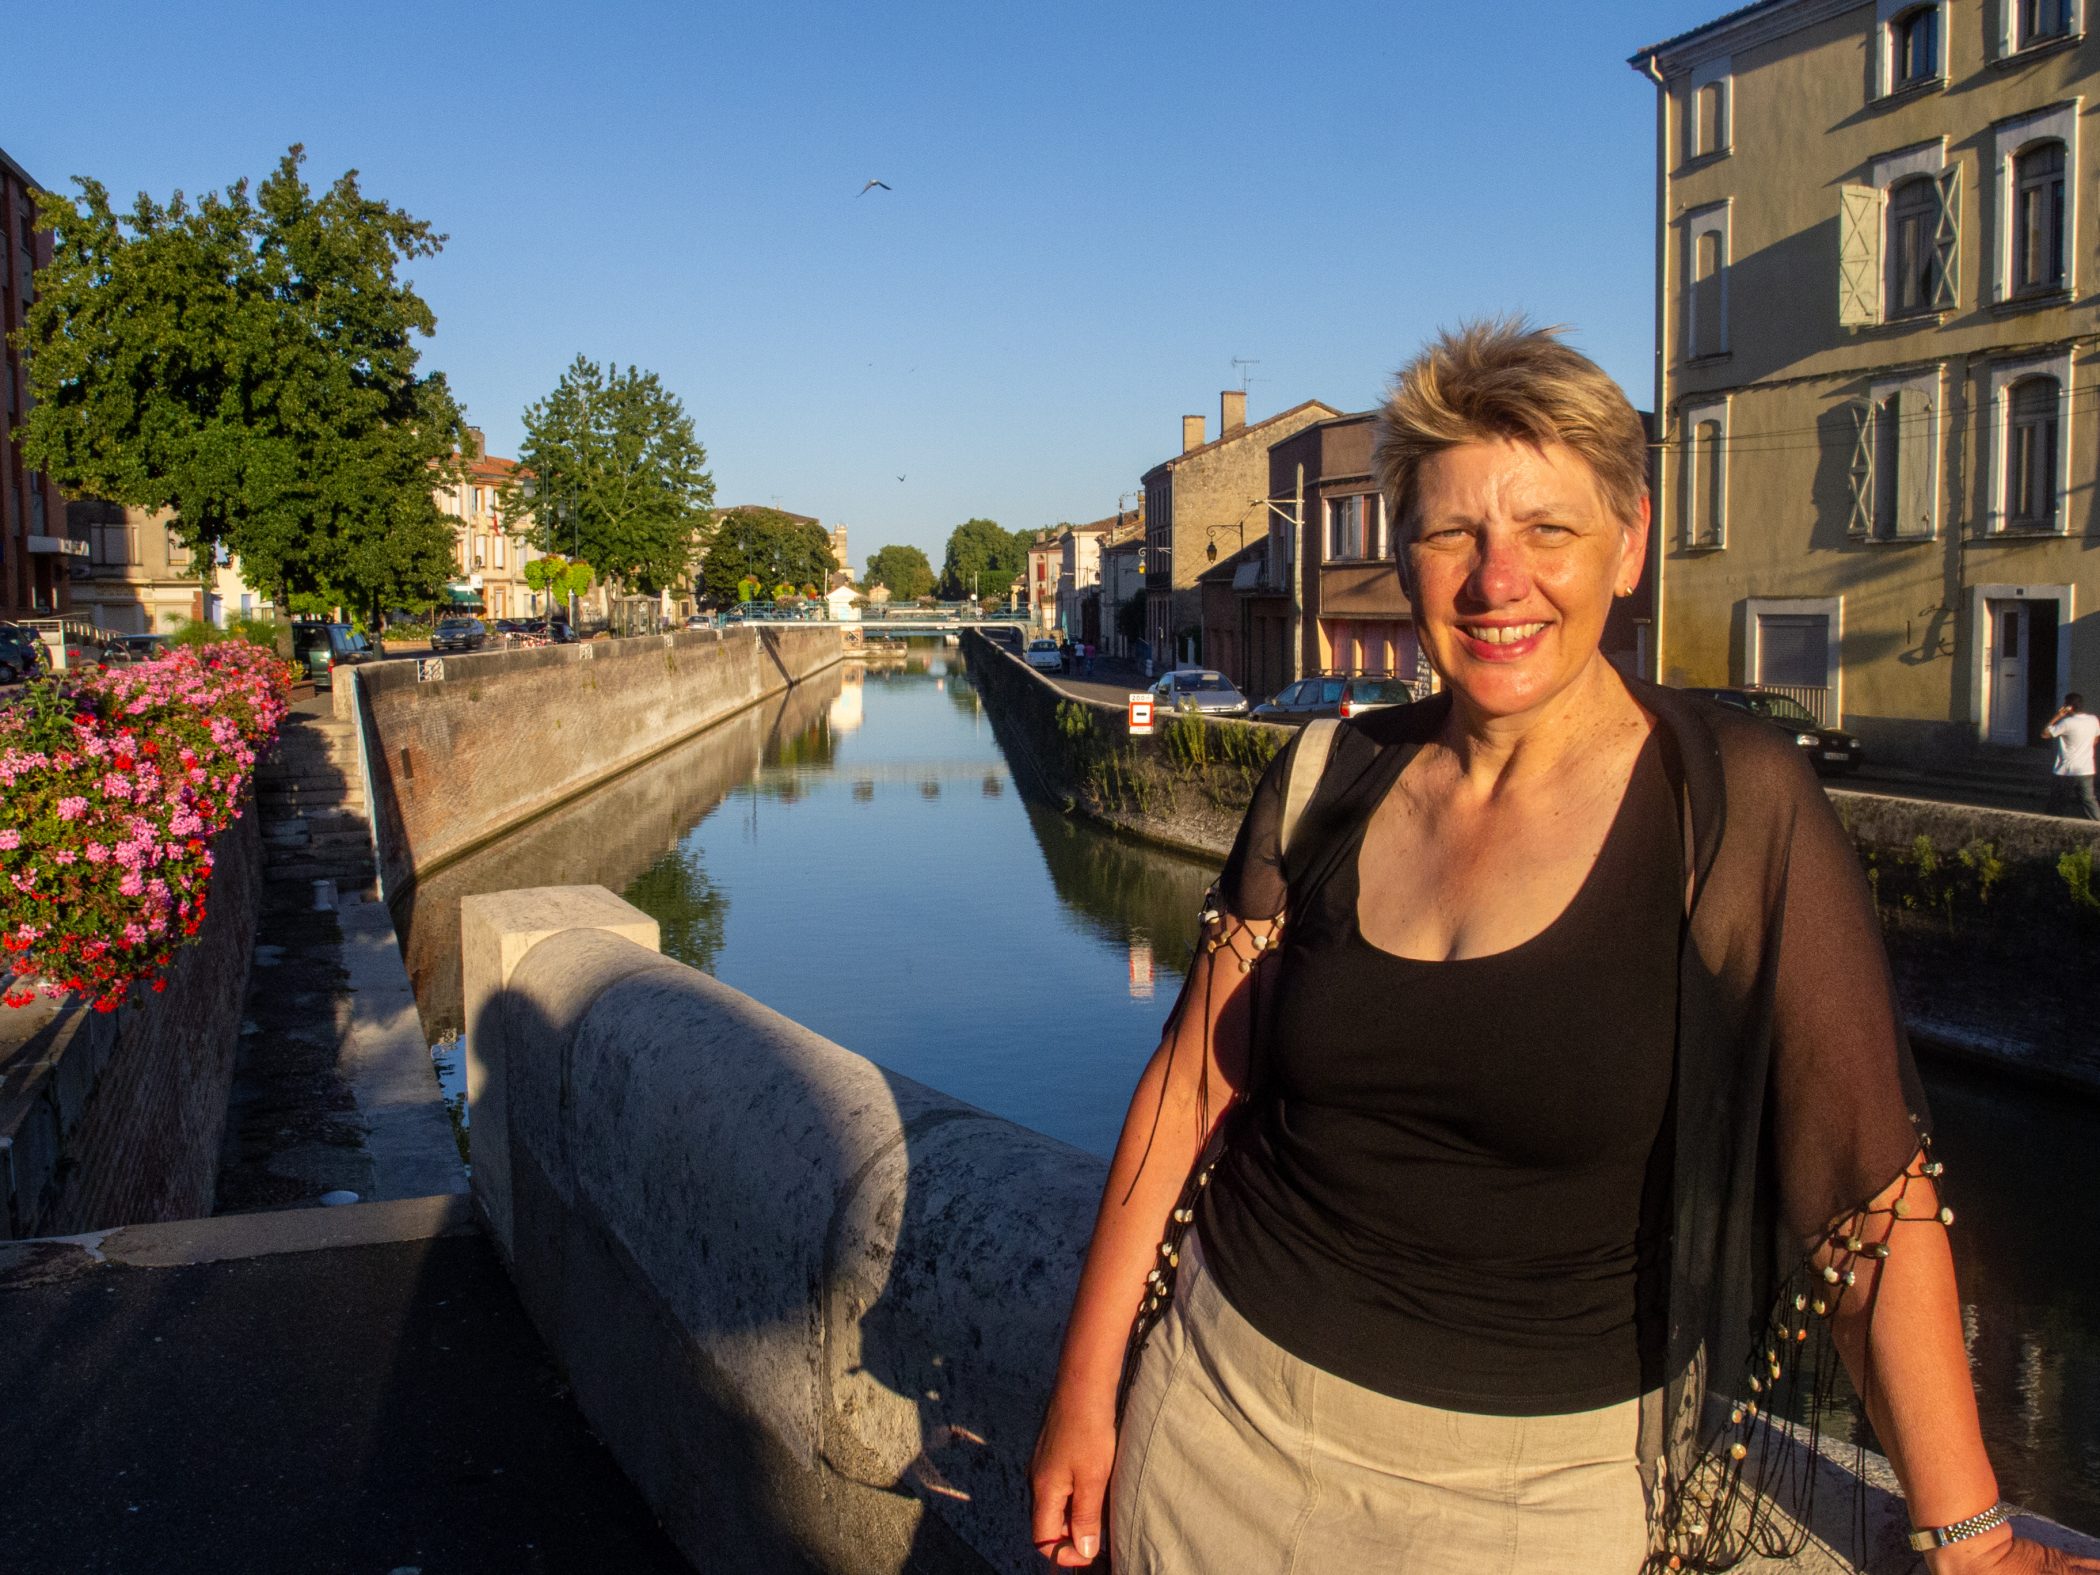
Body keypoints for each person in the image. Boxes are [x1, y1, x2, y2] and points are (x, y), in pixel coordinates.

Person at [1030, 321, 2099, 1575]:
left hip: (1541, 1507)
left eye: (1549, 529)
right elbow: (1192, 1089)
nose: (1499, 582)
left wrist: (1971, 1537)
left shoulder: (1731, 807)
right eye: (1452, 534)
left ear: (1629, 544)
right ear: (1404, 552)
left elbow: (1863, 1192)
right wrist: (1086, 1384)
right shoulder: (1327, 774)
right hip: (1218, 1435)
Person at [2042, 694, 2099, 821]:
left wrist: (2057, 716)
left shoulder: (2066, 722)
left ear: (2068, 707)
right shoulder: (2093, 720)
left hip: (2066, 770)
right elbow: (2095, 739)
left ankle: (2050, 823)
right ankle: (2097, 823)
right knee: (2089, 800)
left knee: (2057, 801)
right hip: (2086, 768)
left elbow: (2045, 734)